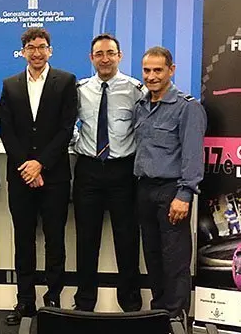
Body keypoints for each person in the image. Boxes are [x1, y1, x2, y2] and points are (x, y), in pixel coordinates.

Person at [0, 27, 77, 324]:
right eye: (30, 47)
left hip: (54, 176)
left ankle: (53, 299)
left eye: (42, 47)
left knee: (55, 240)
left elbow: (66, 129)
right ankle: (25, 301)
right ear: (23, 51)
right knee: (23, 240)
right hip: (20, 177)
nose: (36, 52)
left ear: (50, 50)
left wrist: (40, 164)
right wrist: (27, 167)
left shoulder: (66, 81)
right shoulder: (10, 84)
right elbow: (7, 130)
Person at [134, 46, 206, 329]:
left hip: (171, 192)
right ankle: (158, 315)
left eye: (158, 70)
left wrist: (185, 194)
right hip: (143, 190)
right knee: (152, 256)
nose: (151, 77)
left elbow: (192, 155)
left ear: (171, 70)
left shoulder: (188, 107)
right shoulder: (141, 106)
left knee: (174, 259)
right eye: (147, 71)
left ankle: (176, 319)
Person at [72, 33, 144, 313]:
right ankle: (84, 304)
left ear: (119, 56)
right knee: (85, 241)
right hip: (88, 170)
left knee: (126, 241)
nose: (104, 59)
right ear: (91, 58)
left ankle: (131, 306)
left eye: (110, 53)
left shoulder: (136, 89)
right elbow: (67, 123)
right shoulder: (80, 89)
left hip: (122, 172)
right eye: (99, 54)